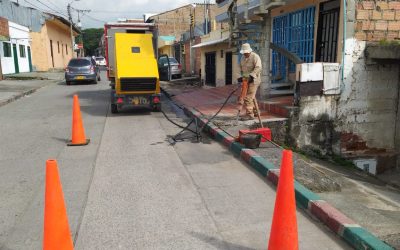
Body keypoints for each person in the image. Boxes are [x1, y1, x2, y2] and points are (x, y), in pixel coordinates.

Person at [237, 43, 262, 121]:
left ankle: (250, 115)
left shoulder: (255, 56)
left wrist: (252, 76)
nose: (245, 53)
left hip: (254, 80)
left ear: (249, 51)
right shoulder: (242, 58)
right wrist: (239, 77)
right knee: (251, 97)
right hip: (246, 80)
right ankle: (256, 112)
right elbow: (239, 68)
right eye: (244, 52)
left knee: (248, 97)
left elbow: (258, 67)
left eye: (246, 52)